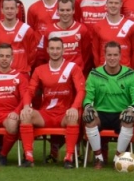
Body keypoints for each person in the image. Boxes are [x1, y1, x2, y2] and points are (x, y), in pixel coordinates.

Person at [19, 37, 86, 169]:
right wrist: (26, 106)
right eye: (52, 48)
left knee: (73, 116)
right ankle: (28, 157)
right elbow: (30, 90)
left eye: (58, 48)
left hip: (64, 114)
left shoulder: (72, 67)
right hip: (46, 114)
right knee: (26, 115)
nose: (55, 51)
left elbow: (81, 91)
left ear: (63, 50)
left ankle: (69, 157)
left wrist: (74, 107)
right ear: (47, 50)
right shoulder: (40, 69)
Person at [83, 42, 134, 169]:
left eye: (115, 55)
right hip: (101, 113)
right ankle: (99, 158)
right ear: (104, 55)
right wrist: (88, 106)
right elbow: (88, 97)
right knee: (89, 118)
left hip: (121, 113)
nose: (112, 58)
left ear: (120, 56)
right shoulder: (95, 74)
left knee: (128, 118)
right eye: (109, 55)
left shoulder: (130, 75)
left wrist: (131, 109)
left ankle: (118, 158)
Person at [0, 0, 39, 76]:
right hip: (3, 74)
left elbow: (32, 53)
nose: (9, 11)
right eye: (7, 8)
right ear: (2, 10)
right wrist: (3, 68)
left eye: (12, 8)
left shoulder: (26, 29)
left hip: (22, 74)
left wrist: (25, 66)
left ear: (17, 10)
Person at [40, 0, 91, 71]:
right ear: (57, 11)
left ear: (73, 11)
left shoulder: (82, 29)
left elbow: (86, 54)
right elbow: (46, 53)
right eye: (62, 10)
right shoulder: (49, 31)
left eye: (68, 10)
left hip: (76, 73)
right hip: (56, 73)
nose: (65, 13)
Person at [90, 0, 134, 68]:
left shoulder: (131, 25)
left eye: (116, 3)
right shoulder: (97, 26)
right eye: (111, 2)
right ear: (106, 4)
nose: (113, 5)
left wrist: (130, 70)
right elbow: (95, 52)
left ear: (121, 4)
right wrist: (100, 69)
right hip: (104, 73)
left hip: (125, 72)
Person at [28, 0, 60, 67]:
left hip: (57, 50)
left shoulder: (62, 7)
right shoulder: (33, 8)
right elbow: (31, 31)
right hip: (40, 52)